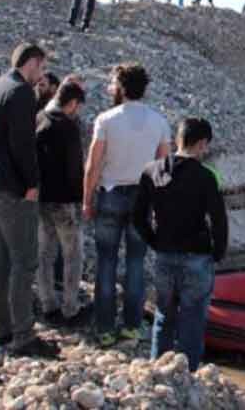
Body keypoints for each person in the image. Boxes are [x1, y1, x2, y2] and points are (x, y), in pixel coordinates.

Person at [0, 43, 60, 357]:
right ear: (33, 62)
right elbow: (23, 144)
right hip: (13, 189)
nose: (41, 75)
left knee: (0, 258)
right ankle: (22, 335)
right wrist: (32, 183)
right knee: (24, 261)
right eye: (41, 67)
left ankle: (0, 332)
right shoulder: (21, 92)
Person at [83, 63, 171, 347]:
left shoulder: (106, 119)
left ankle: (106, 328)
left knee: (106, 263)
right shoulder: (158, 121)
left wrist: (87, 200)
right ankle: (132, 327)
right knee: (135, 263)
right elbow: (164, 169)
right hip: (142, 198)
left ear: (120, 86)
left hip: (110, 193)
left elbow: (93, 165)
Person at [134, 117, 228, 371]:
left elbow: (138, 216)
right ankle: (188, 375)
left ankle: (157, 371)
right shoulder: (207, 176)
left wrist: (154, 241)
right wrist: (218, 253)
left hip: (164, 254)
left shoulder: (150, 170)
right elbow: (219, 220)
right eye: (205, 146)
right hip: (197, 257)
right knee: (193, 320)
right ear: (201, 144)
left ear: (178, 139)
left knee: (164, 316)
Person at [36, 82, 87, 327]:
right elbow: (75, 167)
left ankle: (47, 303)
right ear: (73, 103)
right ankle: (70, 307)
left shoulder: (38, 119)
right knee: (72, 255)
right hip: (64, 201)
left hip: (40, 198)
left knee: (44, 253)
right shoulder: (68, 127)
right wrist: (82, 197)